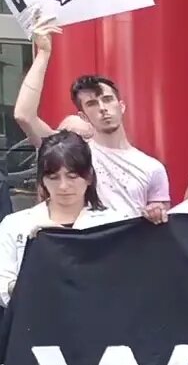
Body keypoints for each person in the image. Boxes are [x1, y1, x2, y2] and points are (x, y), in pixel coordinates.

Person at [12, 15, 169, 224]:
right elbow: (24, 115)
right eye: (92, 104)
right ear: (83, 116)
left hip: (129, 252)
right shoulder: (74, 153)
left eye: (107, 99)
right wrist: (43, 53)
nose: (103, 108)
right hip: (83, 248)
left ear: (121, 106)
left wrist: (157, 213)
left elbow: (163, 221)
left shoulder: (152, 168)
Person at [0, 131, 128, 307]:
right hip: (38, 321)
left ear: (89, 176)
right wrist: (21, 288)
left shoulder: (114, 222)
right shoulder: (16, 224)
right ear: (42, 180)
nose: (63, 186)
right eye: (53, 177)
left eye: (72, 176)